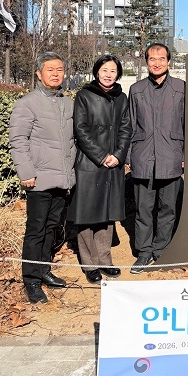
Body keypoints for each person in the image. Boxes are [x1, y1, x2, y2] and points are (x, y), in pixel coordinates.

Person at [9, 52, 76, 304]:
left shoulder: (68, 103)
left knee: (52, 227)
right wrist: (26, 172)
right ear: (39, 73)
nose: (55, 74)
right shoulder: (27, 103)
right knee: (35, 230)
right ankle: (31, 280)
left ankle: (44, 269)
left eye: (59, 69)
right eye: (50, 69)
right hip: (38, 179)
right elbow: (18, 140)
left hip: (62, 177)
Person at [68, 55, 131, 284]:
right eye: (104, 70)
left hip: (114, 164)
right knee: (87, 214)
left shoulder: (121, 98)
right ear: (97, 72)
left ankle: (105, 260)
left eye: (113, 71)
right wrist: (102, 156)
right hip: (90, 162)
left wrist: (118, 155)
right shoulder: (84, 95)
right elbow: (80, 130)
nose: (108, 74)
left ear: (118, 74)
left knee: (107, 214)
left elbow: (126, 128)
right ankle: (90, 264)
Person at [128, 43, 185, 274]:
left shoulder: (181, 88)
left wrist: (185, 155)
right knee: (143, 209)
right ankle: (143, 252)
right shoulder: (136, 89)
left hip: (172, 156)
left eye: (162, 58)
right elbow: (131, 125)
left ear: (169, 61)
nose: (157, 63)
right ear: (146, 62)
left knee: (168, 209)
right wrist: (129, 156)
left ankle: (161, 251)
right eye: (152, 59)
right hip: (143, 158)